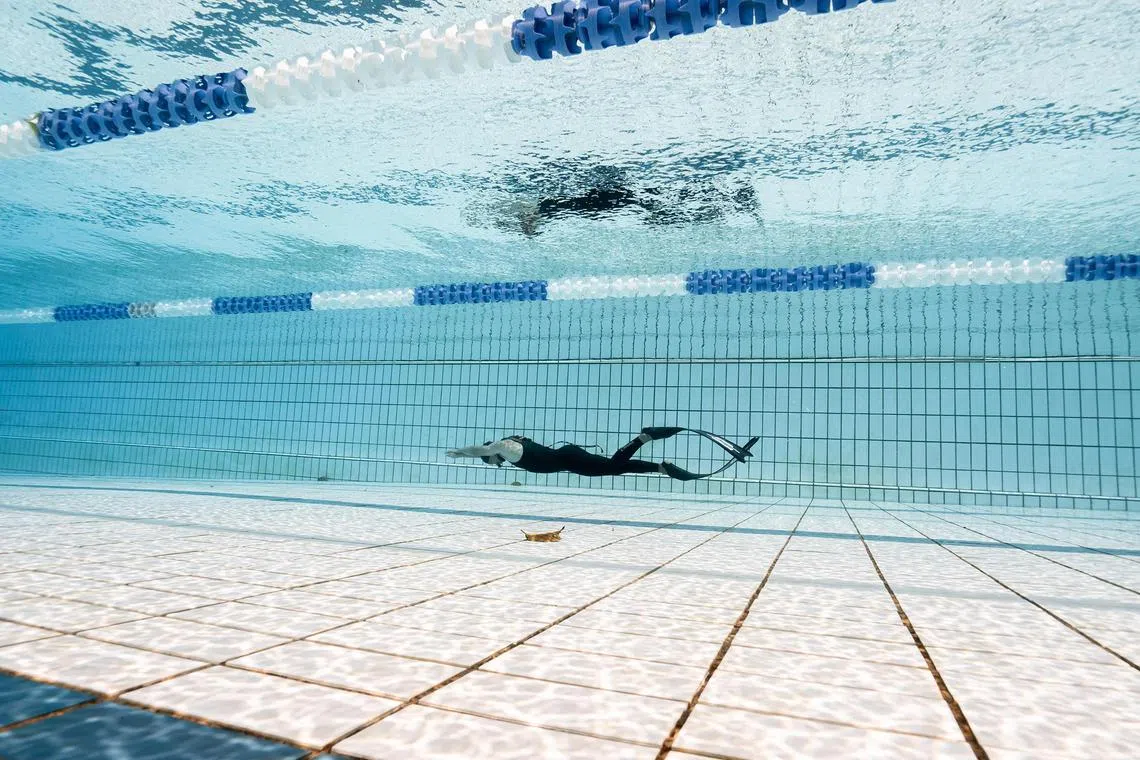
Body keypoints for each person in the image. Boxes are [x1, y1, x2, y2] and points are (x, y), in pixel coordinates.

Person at [446, 426, 757, 481]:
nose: (495, 463)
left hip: (568, 459)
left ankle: (644, 439)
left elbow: (488, 449)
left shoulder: (506, 448)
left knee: (611, 466)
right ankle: (659, 467)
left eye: (491, 461)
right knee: (613, 468)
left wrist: (462, 453)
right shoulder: (511, 449)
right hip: (568, 460)